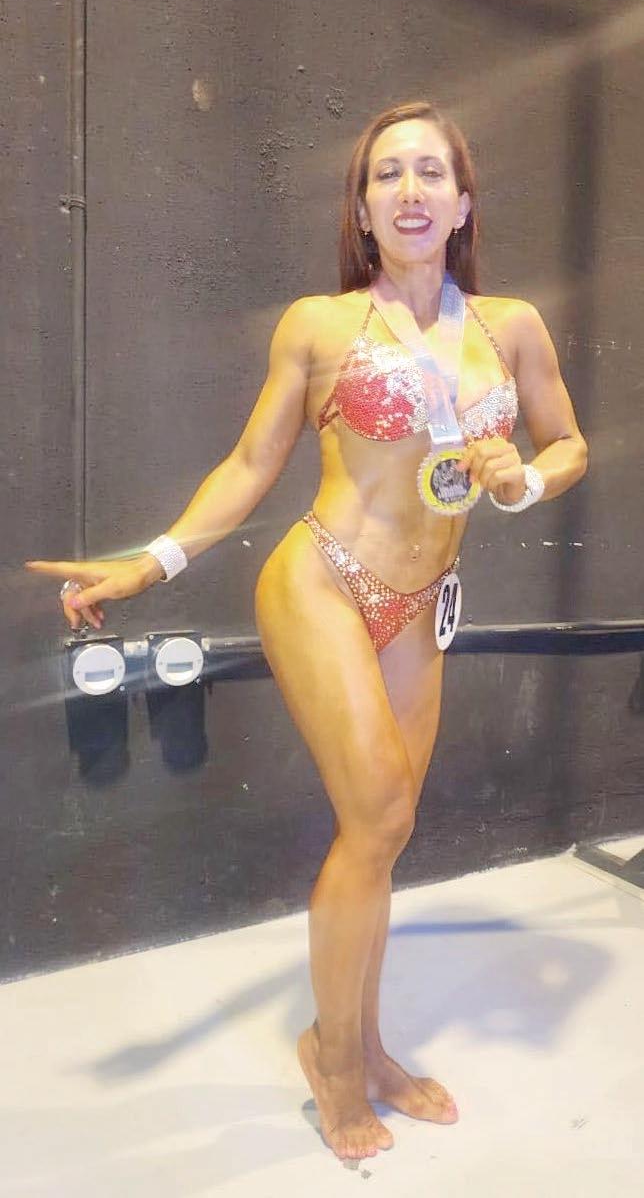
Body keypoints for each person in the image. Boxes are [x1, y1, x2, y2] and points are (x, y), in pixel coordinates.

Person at [25, 100, 588, 1162]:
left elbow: (567, 445)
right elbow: (250, 464)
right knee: (376, 813)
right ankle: (331, 1059)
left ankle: (365, 1046)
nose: (410, 190)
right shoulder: (319, 326)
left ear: (463, 201)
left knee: (384, 831)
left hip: (421, 601)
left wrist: (523, 481)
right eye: (387, 174)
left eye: (431, 172)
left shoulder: (509, 325)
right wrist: (151, 561)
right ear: (362, 208)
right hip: (322, 581)